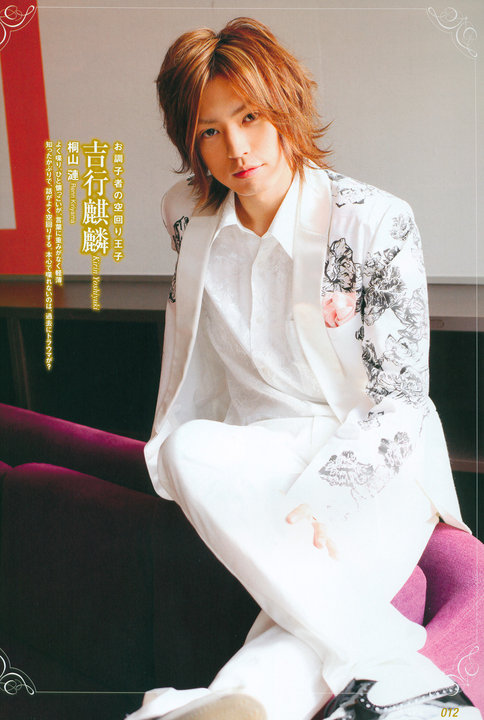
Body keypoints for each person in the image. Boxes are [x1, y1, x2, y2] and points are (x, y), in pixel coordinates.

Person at [127, 17, 479, 720]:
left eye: (249, 117)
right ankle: (395, 660)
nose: (236, 148)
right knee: (184, 448)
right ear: (189, 141)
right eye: (209, 130)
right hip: (257, 450)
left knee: (302, 603)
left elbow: (401, 402)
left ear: (283, 105)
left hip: (374, 459)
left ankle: (238, 705)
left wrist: (325, 497)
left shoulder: (376, 220)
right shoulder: (186, 217)